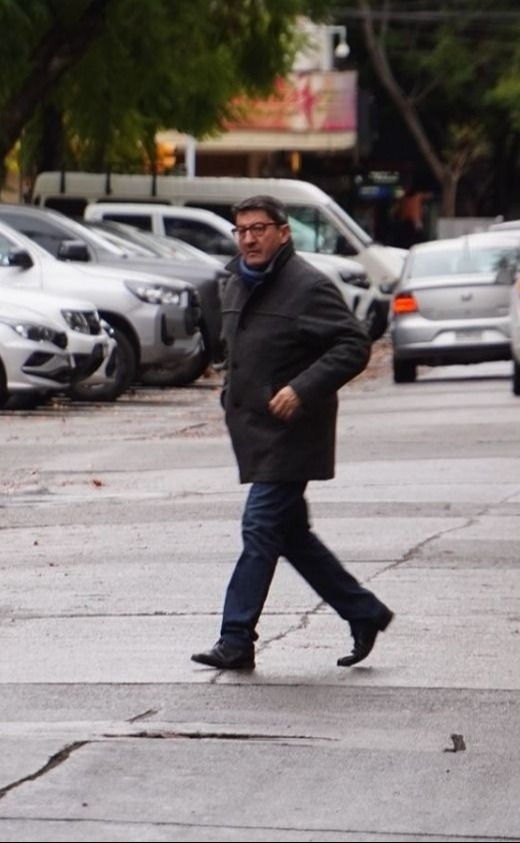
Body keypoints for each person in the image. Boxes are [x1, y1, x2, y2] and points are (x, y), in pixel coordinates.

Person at [191, 195, 395, 671]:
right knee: (291, 537)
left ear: (284, 232)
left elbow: (352, 345)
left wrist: (302, 389)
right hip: (255, 430)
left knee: (259, 527)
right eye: (241, 230)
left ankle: (236, 638)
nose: (249, 238)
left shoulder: (306, 286)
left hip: (293, 433)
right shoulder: (235, 282)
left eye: (259, 228)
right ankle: (364, 612)